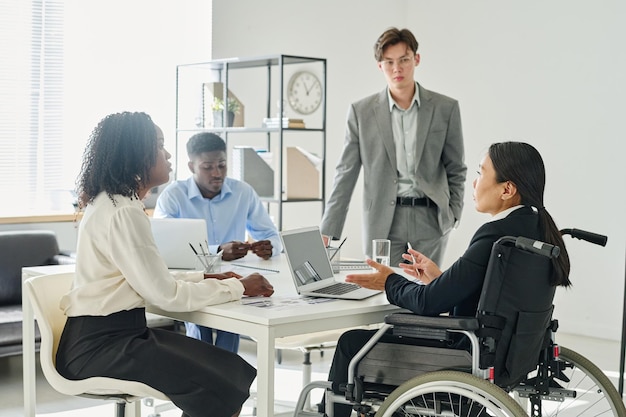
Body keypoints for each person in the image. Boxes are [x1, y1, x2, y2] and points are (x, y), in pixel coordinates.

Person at [324, 141, 571, 417]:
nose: (473, 184)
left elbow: (428, 303)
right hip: (509, 353)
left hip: (464, 355)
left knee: (351, 344)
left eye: (481, 173)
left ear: (507, 189)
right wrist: (439, 278)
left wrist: (389, 282)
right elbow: (493, 294)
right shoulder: (536, 229)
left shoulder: (496, 235)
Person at [56, 112, 274, 417]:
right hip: (101, 347)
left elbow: (146, 276)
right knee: (219, 384)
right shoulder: (124, 212)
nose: (168, 154)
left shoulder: (116, 202)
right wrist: (236, 286)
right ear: (137, 154)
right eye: (159, 145)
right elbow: (166, 295)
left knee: (228, 369)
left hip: (112, 337)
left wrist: (204, 276)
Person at [320, 27, 467, 266]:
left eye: (404, 60)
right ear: (380, 65)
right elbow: (346, 173)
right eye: (388, 62)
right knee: (383, 295)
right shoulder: (362, 112)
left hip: (431, 217)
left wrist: (453, 213)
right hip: (383, 218)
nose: (396, 69)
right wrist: (328, 228)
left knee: (427, 294)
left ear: (416, 59)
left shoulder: (445, 108)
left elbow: (456, 167)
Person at [154, 132, 282, 353]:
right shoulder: (173, 195)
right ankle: (207, 374)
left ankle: (225, 374)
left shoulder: (243, 192)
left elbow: (272, 236)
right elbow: (165, 247)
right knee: (199, 332)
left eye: (222, 165)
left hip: (235, 279)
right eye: (208, 167)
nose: (217, 173)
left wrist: (269, 247)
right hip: (193, 280)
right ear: (191, 166)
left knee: (231, 327)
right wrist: (218, 251)